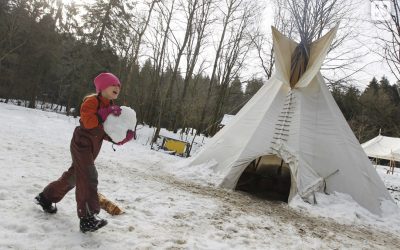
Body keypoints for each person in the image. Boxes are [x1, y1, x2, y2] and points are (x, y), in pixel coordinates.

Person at [35, 72, 135, 233]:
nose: (117, 87)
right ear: (102, 87)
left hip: (93, 146)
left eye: (119, 86)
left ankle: (45, 197)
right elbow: (88, 122)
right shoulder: (91, 101)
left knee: (74, 177)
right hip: (81, 143)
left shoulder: (110, 108)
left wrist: (122, 138)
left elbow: (107, 132)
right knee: (89, 176)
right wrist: (103, 114)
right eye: (113, 84)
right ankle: (87, 218)